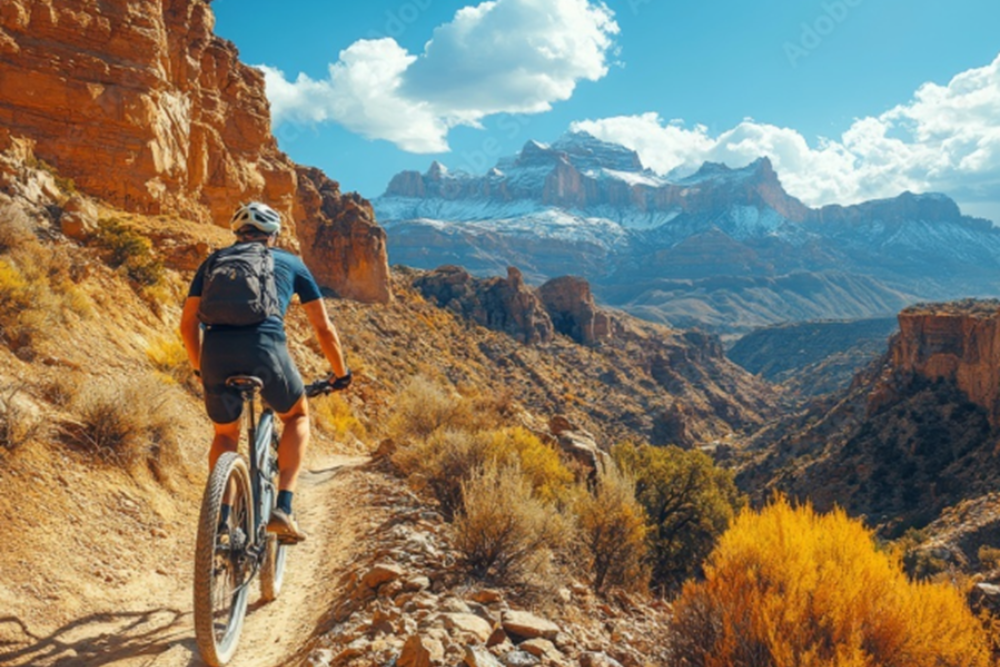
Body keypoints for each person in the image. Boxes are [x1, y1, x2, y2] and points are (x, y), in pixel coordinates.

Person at [180, 202, 351, 544]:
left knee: (225, 435)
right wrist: (340, 372)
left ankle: (222, 516)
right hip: (265, 350)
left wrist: (200, 369)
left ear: (238, 234)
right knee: (297, 415)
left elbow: (187, 327)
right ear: (273, 235)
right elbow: (324, 329)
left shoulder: (213, 262)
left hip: (216, 353)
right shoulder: (291, 262)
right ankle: (284, 507)